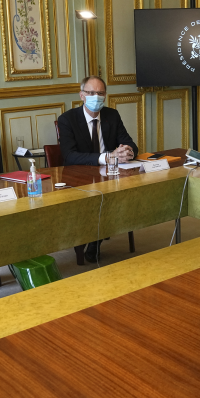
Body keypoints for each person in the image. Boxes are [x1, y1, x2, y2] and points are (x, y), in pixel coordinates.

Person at [57, 75, 139, 262]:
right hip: (80, 176)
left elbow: (131, 144)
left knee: (117, 196)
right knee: (94, 199)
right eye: (91, 93)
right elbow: (69, 156)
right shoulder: (67, 119)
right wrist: (107, 157)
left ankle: (96, 240)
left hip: (109, 176)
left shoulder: (112, 115)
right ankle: (93, 237)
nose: (96, 97)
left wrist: (128, 152)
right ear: (82, 95)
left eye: (100, 93)